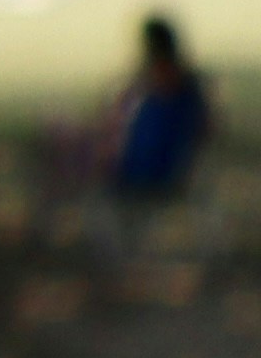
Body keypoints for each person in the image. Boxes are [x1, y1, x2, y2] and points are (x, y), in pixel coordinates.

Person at [88, 12, 214, 226]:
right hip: (166, 173)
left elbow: (116, 122)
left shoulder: (152, 92)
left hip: (146, 175)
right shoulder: (192, 91)